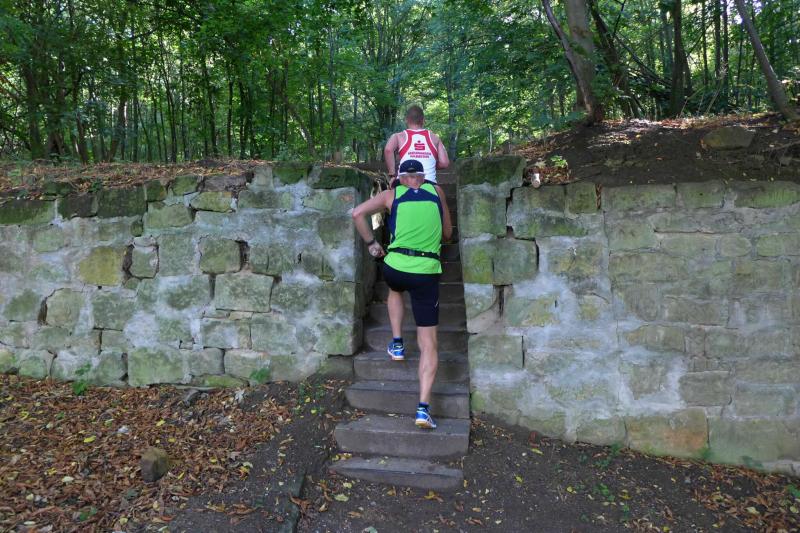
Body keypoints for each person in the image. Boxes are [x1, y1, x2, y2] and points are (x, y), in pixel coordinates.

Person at [350, 159, 453, 429]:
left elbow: (357, 213)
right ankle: (423, 409)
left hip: (395, 266)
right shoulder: (437, 192)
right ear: (423, 176)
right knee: (429, 343)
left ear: (401, 177)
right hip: (427, 271)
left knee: (395, 288)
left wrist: (372, 244)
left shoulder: (390, 195)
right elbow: (447, 233)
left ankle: (397, 343)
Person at [383, 105, 450, 185]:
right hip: (429, 183)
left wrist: (392, 174)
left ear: (406, 120)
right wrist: (430, 164)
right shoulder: (435, 138)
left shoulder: (398, 136)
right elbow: (444, 163)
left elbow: (388, 150)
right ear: (423, 120)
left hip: (404, 182)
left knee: (386, 192)